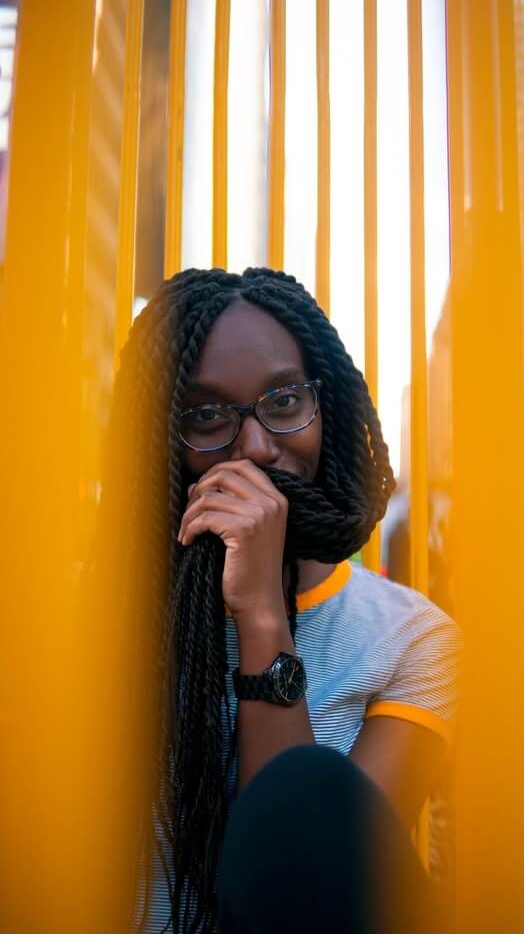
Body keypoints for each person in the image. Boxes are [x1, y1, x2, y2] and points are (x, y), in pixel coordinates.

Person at [97, 267, 461, 933]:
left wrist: (262, 614)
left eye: (285, 402)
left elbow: (312, 903)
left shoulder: (416, 643)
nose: (257, 448)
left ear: (328, 407)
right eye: (205, 416)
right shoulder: (90, 632)